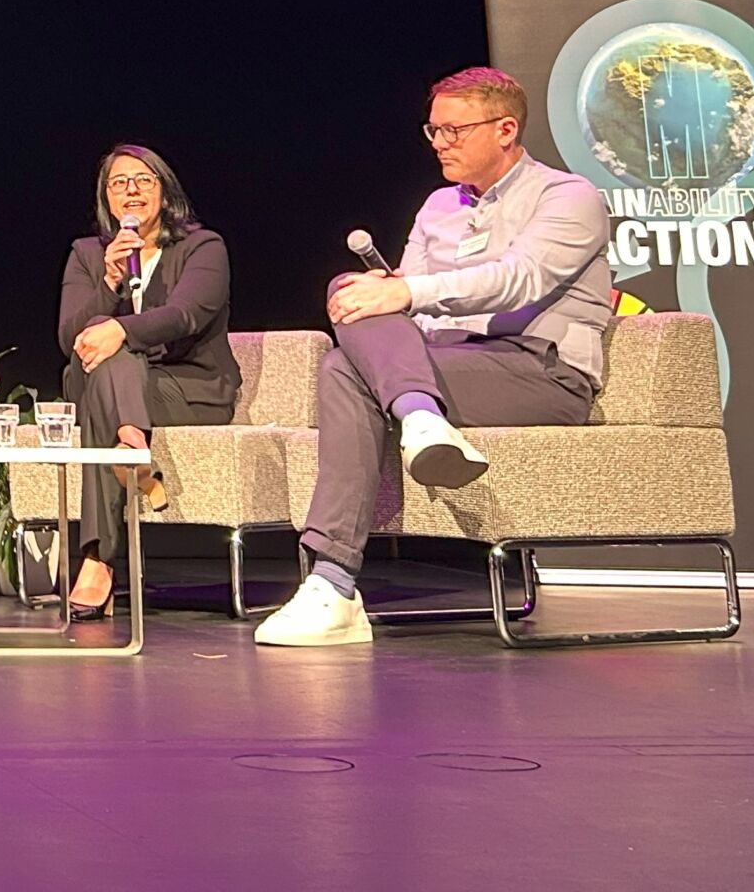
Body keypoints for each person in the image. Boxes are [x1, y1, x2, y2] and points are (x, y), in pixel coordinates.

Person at [255, 66, 613, 647]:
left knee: (346, 366)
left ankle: (334, 583)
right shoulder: (438, 205)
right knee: (350, 298)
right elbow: (405, 305)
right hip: (444, 364)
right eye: (434, 131)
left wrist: (405, 292)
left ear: (505, 129)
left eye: (454, 130)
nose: (440, 143)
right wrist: (392, 294)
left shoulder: (568, 197)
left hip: (542, 370)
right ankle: (418, 421)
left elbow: (519, 279)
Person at [55, 143, 238, 617]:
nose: (131, 190)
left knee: (110, 367)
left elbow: (186, 315)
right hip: (114, 387)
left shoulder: (203, 246)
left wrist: (120, 328)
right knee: (108, 363)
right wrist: (109, 284)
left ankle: (97, 560)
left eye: (143, 180)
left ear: (164, 190)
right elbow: (69, 337)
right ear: (107, 199)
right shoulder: (87, 254)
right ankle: (132, 446)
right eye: (119, 183)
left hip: (187, 388)